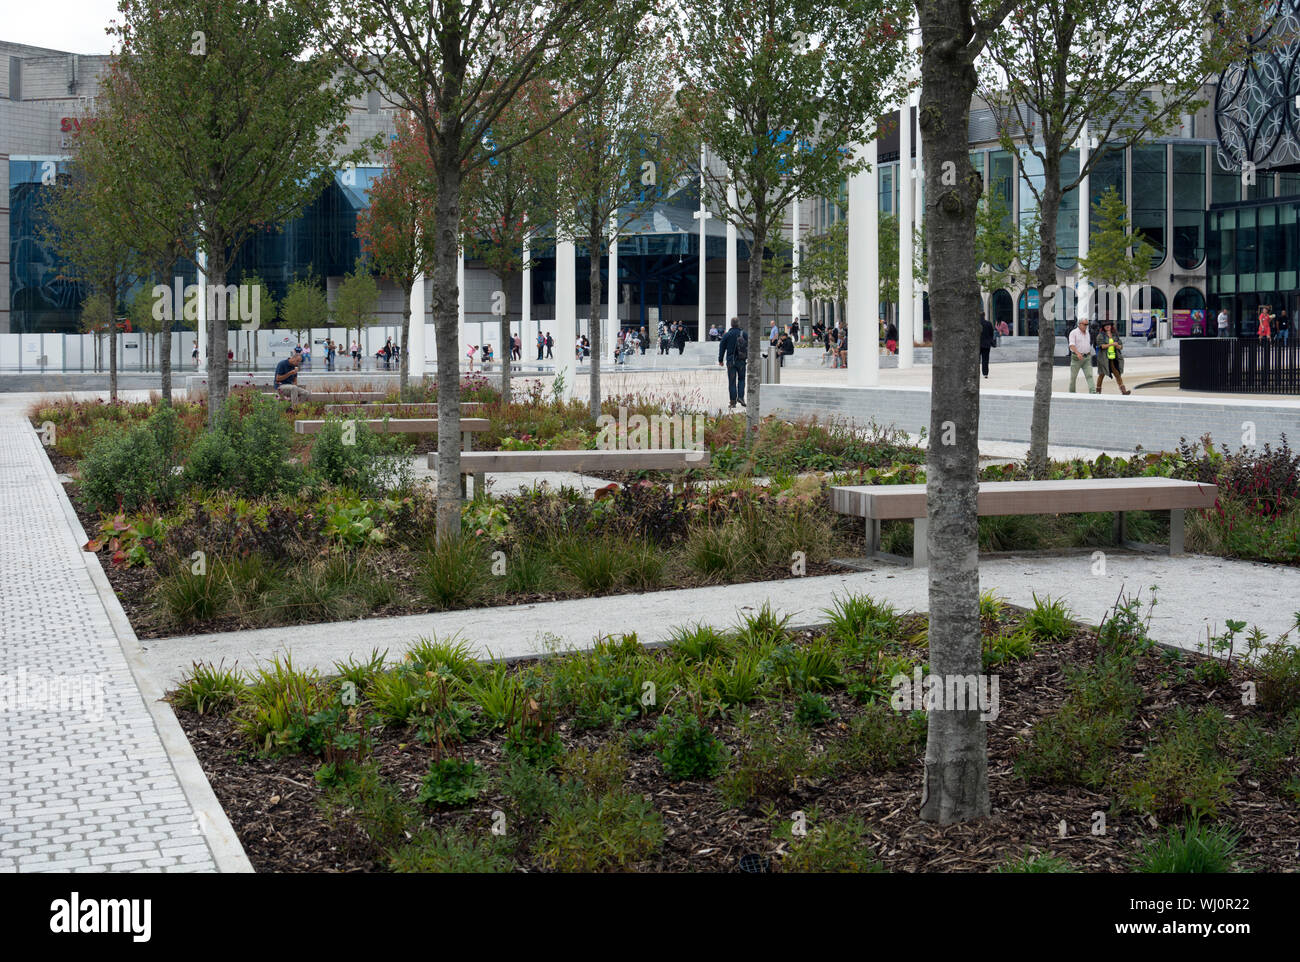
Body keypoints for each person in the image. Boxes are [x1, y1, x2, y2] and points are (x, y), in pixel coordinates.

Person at [718, 317, 748, 409]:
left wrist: (720, 360)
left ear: (731, 324)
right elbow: (749, 346)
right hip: (741, 360)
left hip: (731, 361)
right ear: (738, 324)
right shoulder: (744, 334)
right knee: (741, 379)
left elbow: (722, 347)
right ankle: (741, 397)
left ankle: (733, 402)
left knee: (732, 382)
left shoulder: (727, 335)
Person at [1095, 321, 1130, 395]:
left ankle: (1123, 391)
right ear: (1103, 327)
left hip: (1114, 358)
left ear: (1111, 326)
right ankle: (1098, 391)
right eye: (1105, 325)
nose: (1107, 326)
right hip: (1104, 358)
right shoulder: (1101, 335)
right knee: (1101, 374)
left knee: (1117, 374)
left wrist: (1117, 345)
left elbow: (1121, 346)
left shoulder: (1115, 335)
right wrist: (1111, 344)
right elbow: (1101, 346)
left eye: (1109, 325)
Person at [1067, 316, 1095, 394]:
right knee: (1073, 377)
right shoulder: (1073, 333)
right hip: (1076, 358)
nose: (1086, 326)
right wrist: (1078, 353)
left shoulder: (1087, 333)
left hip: (1087, 357)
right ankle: (1072, 393)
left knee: (1089, 375)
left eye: (1087, 324)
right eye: (1084, 324)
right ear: (1079, 324)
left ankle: (1093, 392)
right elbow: (1071, 345)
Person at [979, 314, 995, 379]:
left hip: (978, 344)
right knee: (985, 360)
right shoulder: (988, 323)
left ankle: (975, 373)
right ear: (984, 315)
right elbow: (992, 333)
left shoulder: (976, 323)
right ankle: (985, 373)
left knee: (976, 359)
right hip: (986, 344)